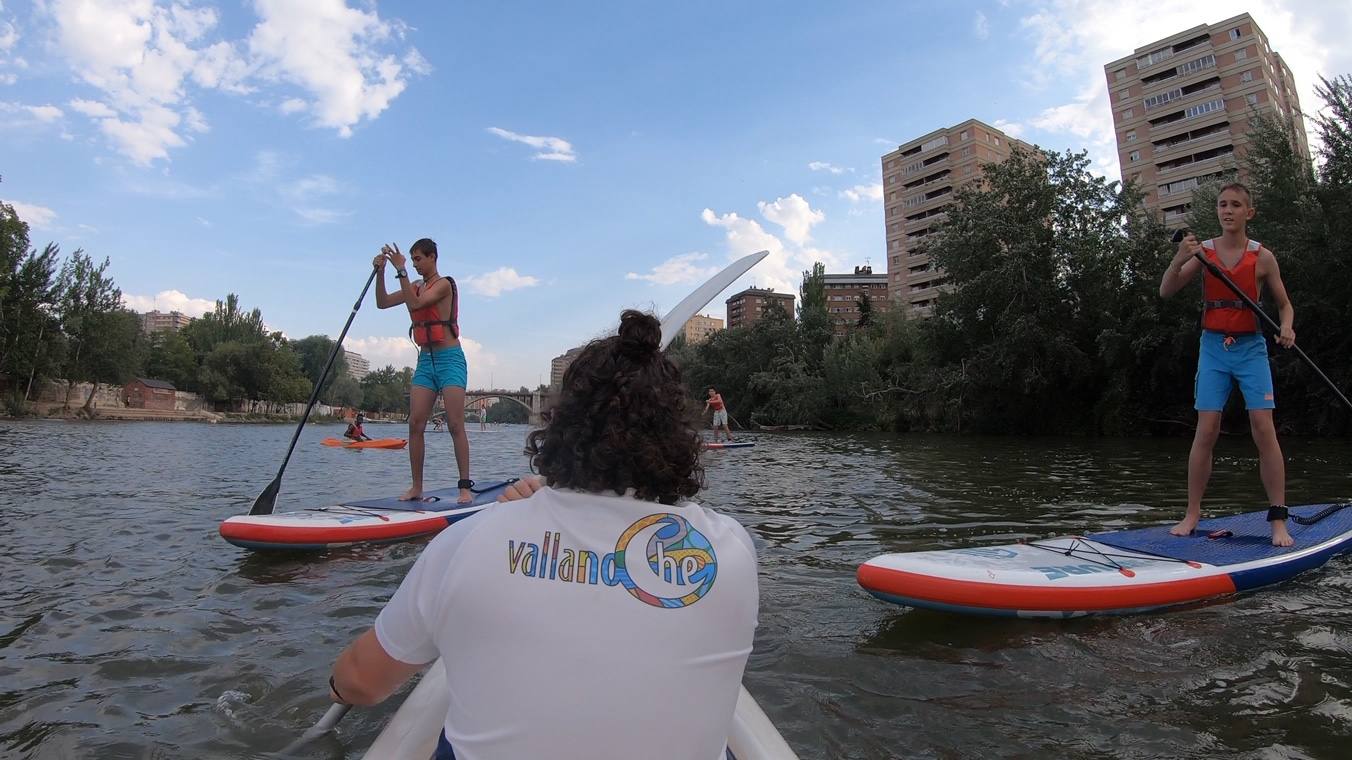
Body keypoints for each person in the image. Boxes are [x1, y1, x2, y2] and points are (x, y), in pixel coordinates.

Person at [327, 310, 759, 759]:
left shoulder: (470, 540)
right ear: (677, 434)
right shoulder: (732, 550)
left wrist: (337, 687)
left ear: (559, 425)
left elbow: (359, 682)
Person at [1159, 182, 1297, 547]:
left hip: (1251, 348)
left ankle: (1278, 518)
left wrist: (1286, 326)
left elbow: (1284, 304)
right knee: (1206, 428)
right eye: (1222, 205)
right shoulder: (1202, 252)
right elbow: (1166, 291)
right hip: (1214, 347)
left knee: (1262, 426)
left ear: (1248, 212)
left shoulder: (1262, 257)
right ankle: (1192, 514)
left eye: (1236, 205)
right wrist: (1177, 259)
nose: (1228, 210)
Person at [373, 239, 473, 503]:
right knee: (415, 423)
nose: (415, 264)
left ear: (432, 257)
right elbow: (382, 303)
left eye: (418, 259)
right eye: (412, 259)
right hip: (426, 362)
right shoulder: (415, 286)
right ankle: (417, 486)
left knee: (454, 424)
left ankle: (464, 487)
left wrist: (401, 270)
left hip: (450, 359)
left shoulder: (444, 284)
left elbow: (417, 305)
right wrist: (381, 272)